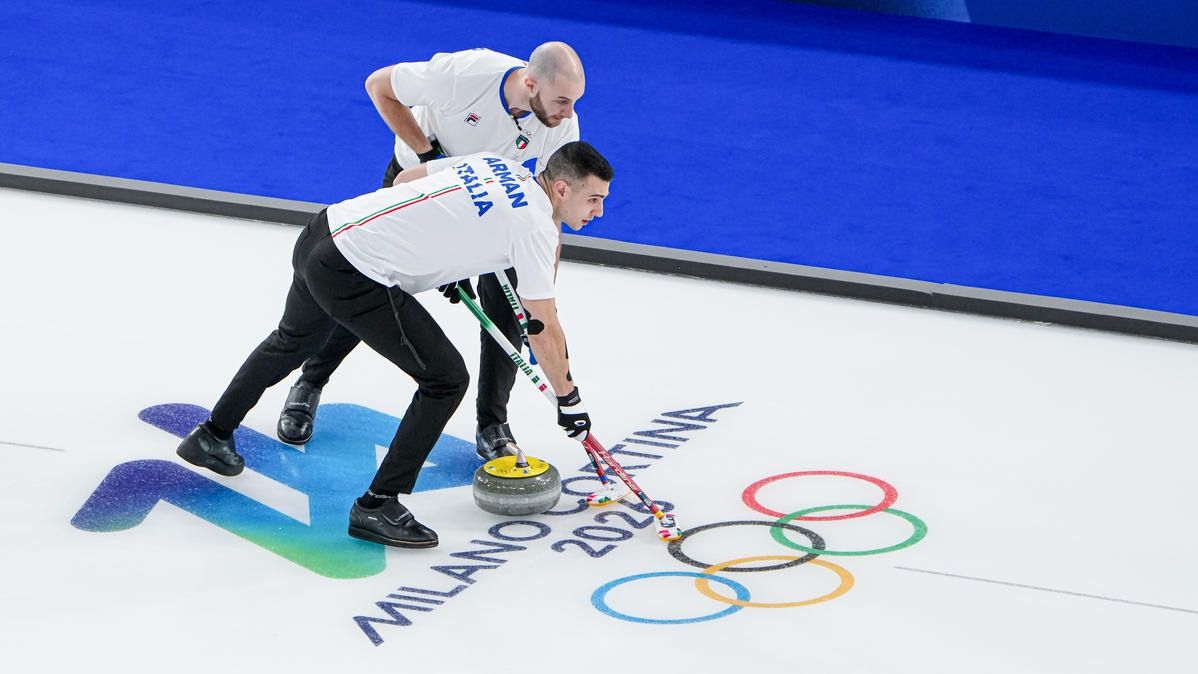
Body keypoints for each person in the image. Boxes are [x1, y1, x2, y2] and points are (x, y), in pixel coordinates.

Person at [175, 142, 613, 548]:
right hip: (355, 271)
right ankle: (378, 505)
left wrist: (447, 261)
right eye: (593, 199)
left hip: (324, 230)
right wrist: (568, 399)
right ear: (561, 189)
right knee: (445, 379)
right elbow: (541, 324)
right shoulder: (536, 226)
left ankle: (212, 435)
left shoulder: (500, 166)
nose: (599, 211)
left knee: (292, 342)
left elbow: (406, 181)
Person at [275, 42, 585, 465]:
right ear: (531, 84)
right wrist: (428, 153)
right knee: (370, 291)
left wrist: (543, 294)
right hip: (417, 183)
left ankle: (493, 423)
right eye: (562, 100)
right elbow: (379, 86)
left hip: (497, 210)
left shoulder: (561, 123)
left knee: (509, 313)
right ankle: (310, 381)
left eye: (574, 102)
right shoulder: (468, 73)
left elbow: (553, 212)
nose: (569, 113)